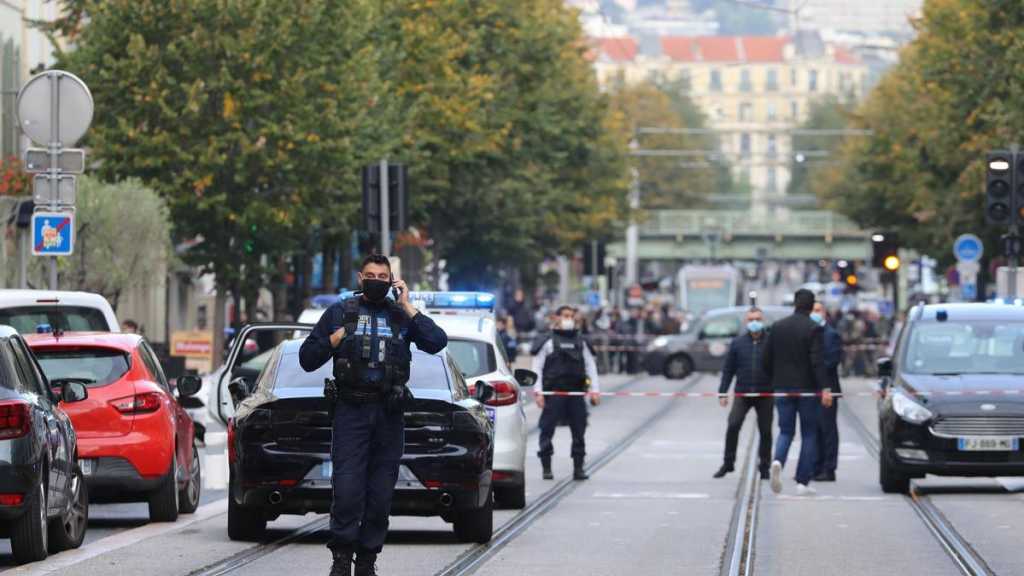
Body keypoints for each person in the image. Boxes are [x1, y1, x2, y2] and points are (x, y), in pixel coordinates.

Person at [299, 254, 448, 576]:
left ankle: (367, 562)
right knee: (348, 492)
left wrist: (408, 305)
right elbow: (307, 359)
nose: (376, 280)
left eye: (383, 276)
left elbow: (437, 342)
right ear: (359, 277)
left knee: (380, 497)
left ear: (392, 280)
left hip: (388, 414)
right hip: (351, 412)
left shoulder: (401, 315)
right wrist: (334, 339)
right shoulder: (340, 312)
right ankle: (341, 560)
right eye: (371, 275)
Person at [763, 288, 833, 496]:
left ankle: (778, 461)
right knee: (809, 434)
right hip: (808, 390)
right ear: (812, 307)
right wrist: (825, 388)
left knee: (785, 431)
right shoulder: (814, 329)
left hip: (782, 388)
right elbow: (817, 362)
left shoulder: (777, 327)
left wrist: (774, 379)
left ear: (794, 303)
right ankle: (802, 481)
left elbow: (767, 359)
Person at [533, 305, 601, 481]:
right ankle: (546, 467)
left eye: (571, 316)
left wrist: (595, 391)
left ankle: (578, 468)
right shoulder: (547, 341)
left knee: (579, 431)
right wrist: (538, 392)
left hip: (576, 393)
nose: (568, 319)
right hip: (554, 393)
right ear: (556, 318)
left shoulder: (581, 341)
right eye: (565, 315)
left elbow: (590, 366)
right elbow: (537, 368)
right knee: (546, 430)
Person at [714, 307, 773, 480]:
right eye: (751, 319)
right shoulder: (738, 343)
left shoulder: (770, 342)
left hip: (765, 394)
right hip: (743, 393)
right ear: (747, 322)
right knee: (733, 425)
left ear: (762, 321)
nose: (754, 322)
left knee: (766, 431)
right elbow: (728, 369)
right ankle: (728, 463)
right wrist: (723, 392)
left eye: (758, 319)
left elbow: (778, 367)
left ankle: (764, 466)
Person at [812, 302, 844, 482]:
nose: (814, 314)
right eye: (812, 311)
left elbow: (831, 361)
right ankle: (816, 466)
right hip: (812, 389)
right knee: (814, 429)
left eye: (818, 311)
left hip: (828, 389)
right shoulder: (810, 332)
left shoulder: (831, 335)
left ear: (824, 313)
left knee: (827, 429)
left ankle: (829, 468)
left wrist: (814, 369)